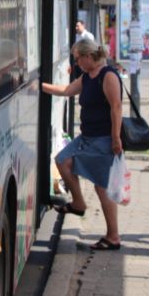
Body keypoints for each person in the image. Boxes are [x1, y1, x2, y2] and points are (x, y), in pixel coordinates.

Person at [41, 39, 123, 251]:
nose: (76, 63)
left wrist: (115, 138)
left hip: (103, 140)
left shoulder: (108, 76)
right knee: (62, 160)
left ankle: (113, 236)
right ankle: (78, 203)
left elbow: (116, 107)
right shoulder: (87, 77)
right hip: (87, 138)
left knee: (102, 187)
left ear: (88, 56)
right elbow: (67, 90)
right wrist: (39, 85)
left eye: (78, 59)